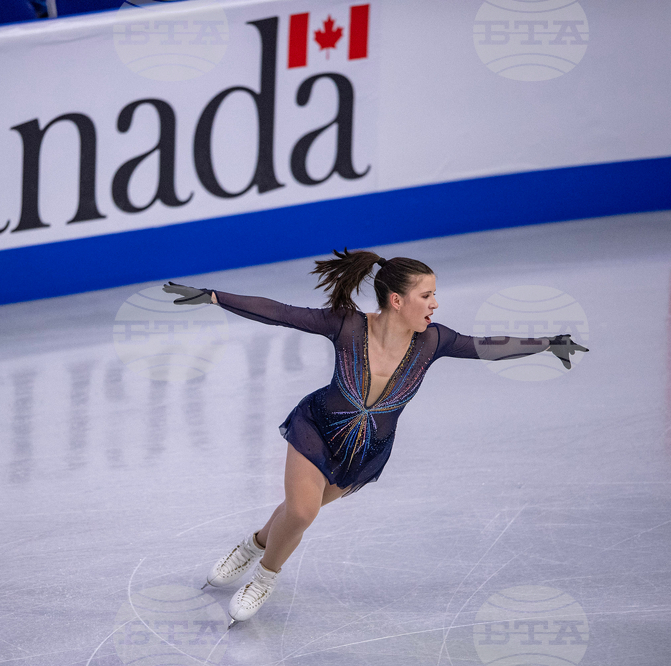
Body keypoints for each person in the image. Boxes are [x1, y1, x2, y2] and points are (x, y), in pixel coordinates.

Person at [162, 248, 588, 627]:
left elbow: (486, 346)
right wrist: (216, 297)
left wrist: (549, 343)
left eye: (435, 295)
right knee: (304, 512)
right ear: (397, 300)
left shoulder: (433, 341)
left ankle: (254, 543)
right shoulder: (347, 326)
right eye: (427, 296)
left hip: (365, 451)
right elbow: (280, 312)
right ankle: (265, 577)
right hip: (318, 428)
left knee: (295, 509)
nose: (435, 304)